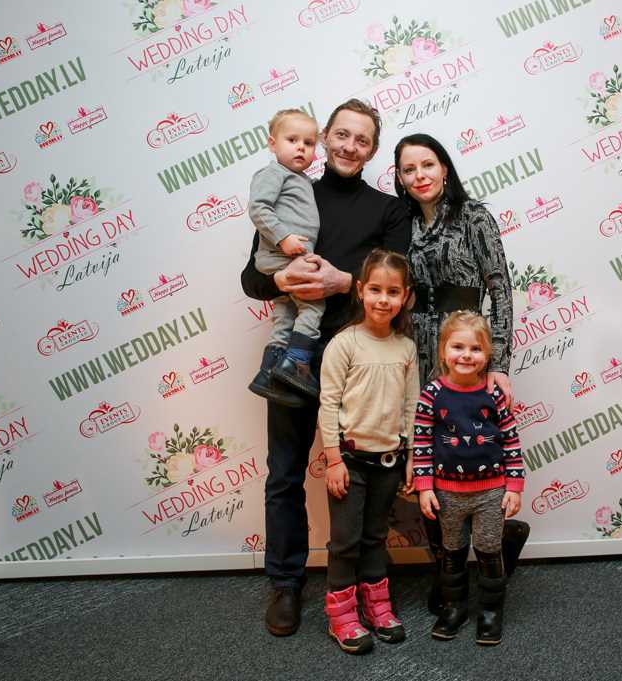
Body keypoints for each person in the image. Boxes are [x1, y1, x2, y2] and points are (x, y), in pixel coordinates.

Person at [241, 100, 411, 637]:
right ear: (324, 139)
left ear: (373, 151)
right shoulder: (292, 188)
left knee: (367, 478)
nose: (348, 147)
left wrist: (344, 284)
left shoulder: (390, 211)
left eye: (362, 140)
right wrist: (282, 281)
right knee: (285, 473)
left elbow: (401, 282)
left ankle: (364, 582)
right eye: (341, 135)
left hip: (362, 366)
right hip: (296, 358)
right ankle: (285, 584)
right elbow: (251, 279)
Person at [393, 133, 530, 613]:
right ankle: (446, 570)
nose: (420, 176)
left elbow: (501, 288)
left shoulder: (474, 217)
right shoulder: (402, 223)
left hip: (464, 350)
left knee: (474, 450)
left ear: (445, 168)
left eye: (427, 165)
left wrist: (500, 363)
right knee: (426, 457)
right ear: (400, 178)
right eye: (409, 169)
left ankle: (500, 540)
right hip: (415, 348)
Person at [319, 250, 419, 654]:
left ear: (405, 296)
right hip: (350, 463)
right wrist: (333, 459)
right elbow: (328, 404)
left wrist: (412, 457)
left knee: (376, 536)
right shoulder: (344, 344)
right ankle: (341, 615)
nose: (383, 299)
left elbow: (411, 406)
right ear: (360, 291)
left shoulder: (406, 348)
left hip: (389, 463)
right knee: (346, 540)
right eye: (375, 289)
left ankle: (377, 606)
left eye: (393, 292)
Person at [413, 311, 525, 646]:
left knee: (489, 551)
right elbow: (421, 444)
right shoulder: (431, 394)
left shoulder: (493, 395)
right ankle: (454, 607)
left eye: (475, 349)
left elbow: (511, 441)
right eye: (458, 347)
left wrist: (514, 486)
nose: (466, 355)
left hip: (491, 492)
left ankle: (490, 612)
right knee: (453, 552)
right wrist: (424, 487)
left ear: (487, 355)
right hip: (447, 494)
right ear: (443, 351)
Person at [248, 109, 323, 400]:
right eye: (292, 140)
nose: (301, 147)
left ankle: (269, 371)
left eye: (308, 143)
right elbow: (258, 208)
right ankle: (297, 363)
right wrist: (283, 238)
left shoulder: (300, 179)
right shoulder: (273, 173)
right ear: (272, 143)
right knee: (314, 305)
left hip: (287, 258)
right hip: (284, 256)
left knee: (285, 312)